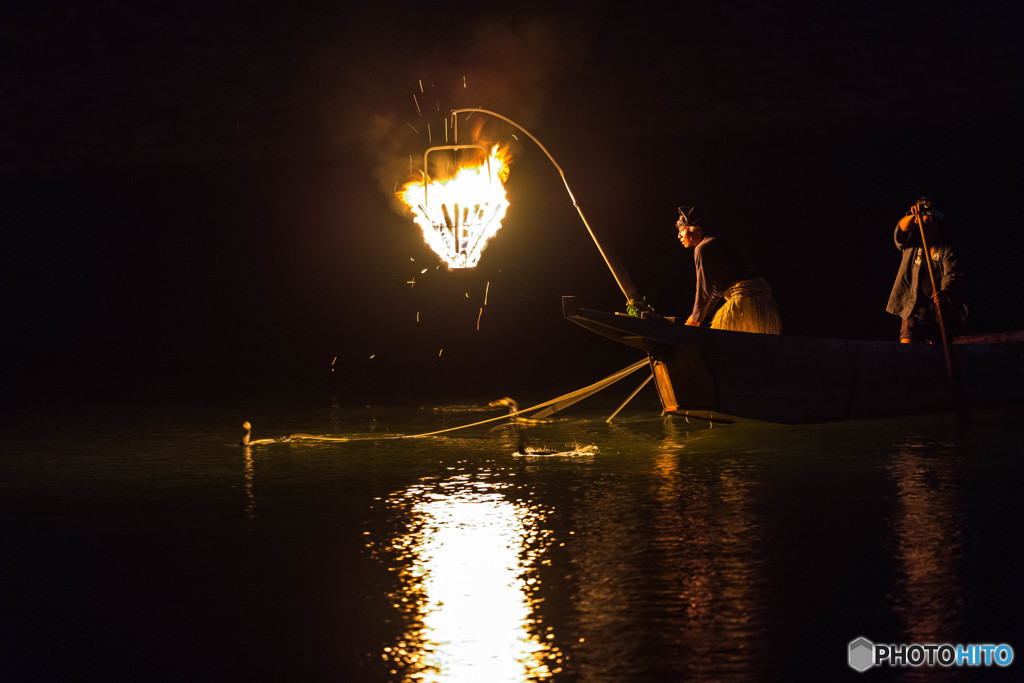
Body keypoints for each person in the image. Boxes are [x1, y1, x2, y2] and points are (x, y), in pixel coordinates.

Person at [675, 205, 782, 333]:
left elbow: (704, 290)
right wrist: (698, 317)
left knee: (716, 345)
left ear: (697, 230)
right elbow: (716, 291)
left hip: (744, 301)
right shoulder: (717, 241)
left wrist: (695, 318)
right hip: (764, 303)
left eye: (682, 230)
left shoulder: (702, 248)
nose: (679, 236)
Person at [886, 197, 967, 343]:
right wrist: (912, 215)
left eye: (923, 216)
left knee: (938, 349)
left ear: (934, 220)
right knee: (907, 348)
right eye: (918, 218)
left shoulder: (946, 247)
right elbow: (900, 232)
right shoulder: (912, 242)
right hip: (912, 308)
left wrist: (944, 292)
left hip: (938, 308)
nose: (919, 221)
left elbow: (952, 274)